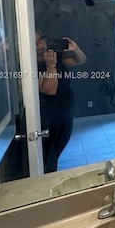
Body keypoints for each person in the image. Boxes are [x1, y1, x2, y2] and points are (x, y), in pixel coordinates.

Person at [36, 31, 87, 173]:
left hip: (65, 110)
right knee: (48, 153)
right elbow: (49, 90)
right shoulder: (30, 65)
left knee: (56, 149)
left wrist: (75, 49)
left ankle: (49, 174)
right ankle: (47, 181)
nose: (40, 43)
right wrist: (50, 66)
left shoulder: (57, 57)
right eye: (34, 43)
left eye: (40, 39)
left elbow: (81, 60)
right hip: (48, 114)